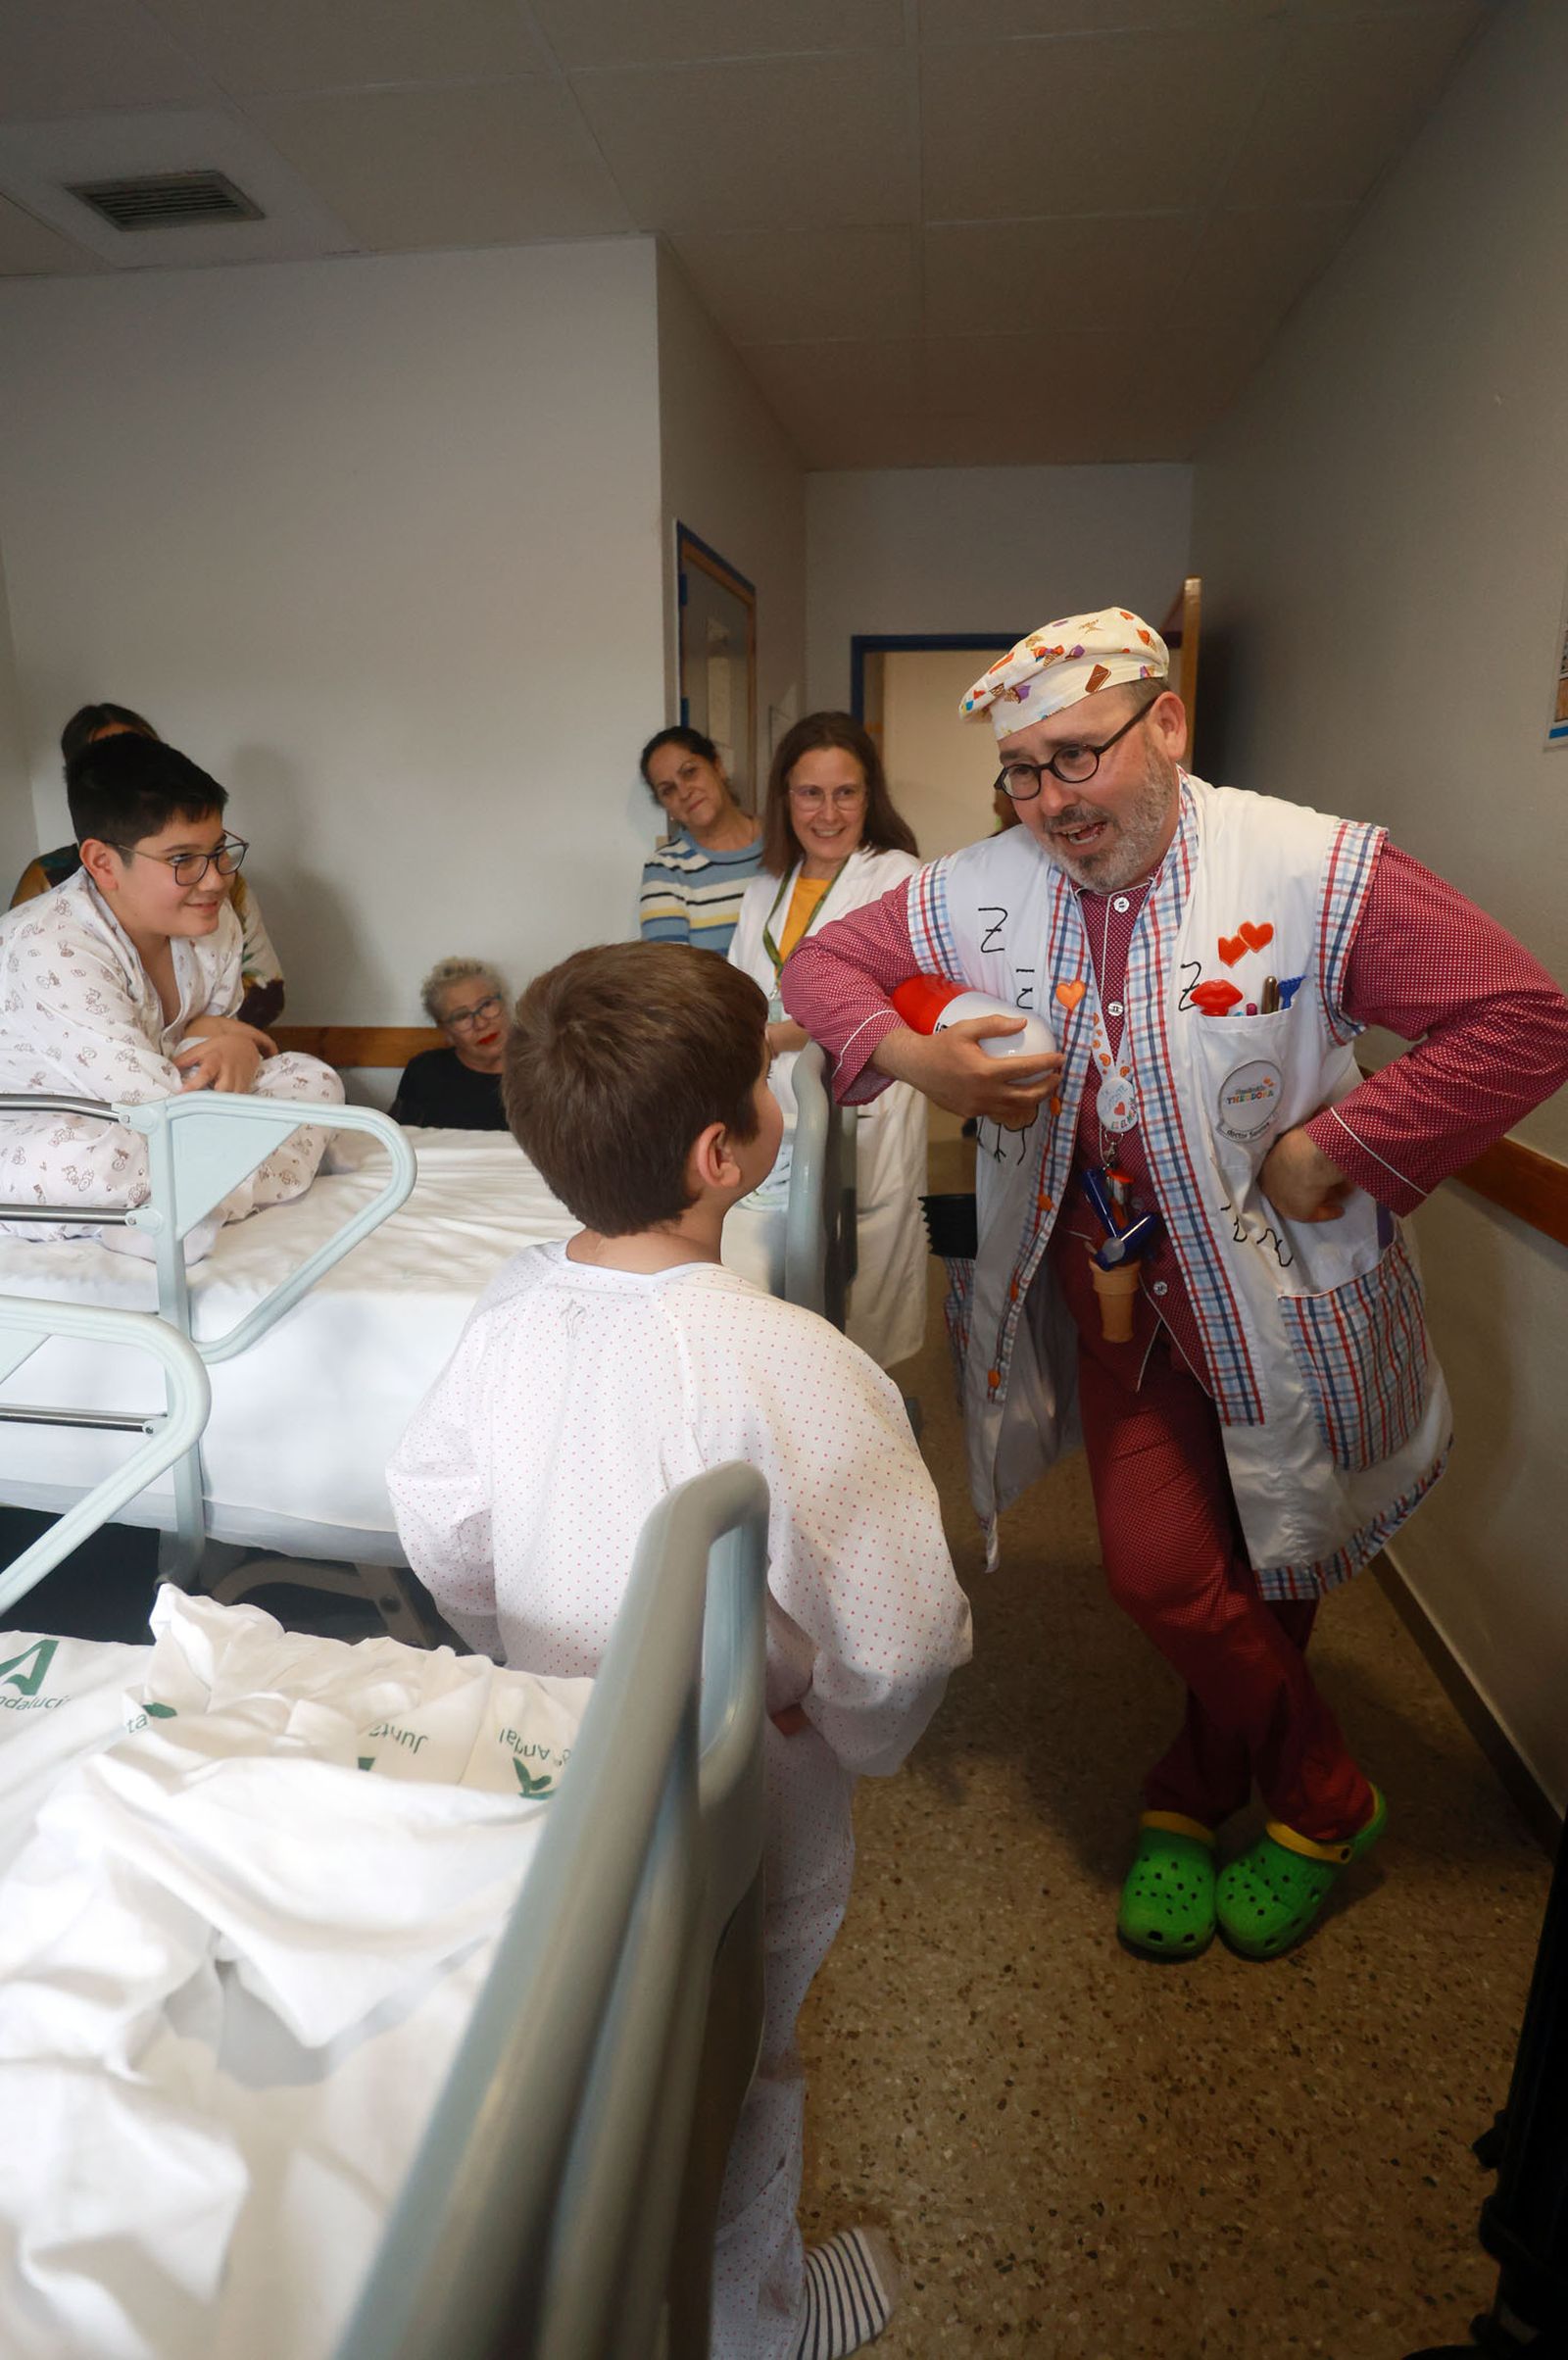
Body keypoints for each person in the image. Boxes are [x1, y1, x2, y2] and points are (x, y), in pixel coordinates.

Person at [784, 607, 1568, 1964]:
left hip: (1281, 1301)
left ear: (1167, 723)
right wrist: (920, 1056)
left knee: (1276, 1557)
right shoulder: (982, 886)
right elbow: (823, 964)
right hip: (1119, 1302)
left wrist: (1341, 1145)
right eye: (1020, 770)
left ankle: (1194, 1790)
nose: (1049, 799)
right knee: (1160, 1572)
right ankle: (1328, 1798)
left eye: (1076, 755)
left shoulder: (1313, 867)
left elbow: (1522, 1019)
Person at [387, 940, 971, 2360]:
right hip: (741, 1800)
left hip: (556, 1761)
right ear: (725, 1154)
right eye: (765, 1085)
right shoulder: (793, 1362)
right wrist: (845, 1726)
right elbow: (900, 1640)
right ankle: (754, 2321)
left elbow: (439, 1521)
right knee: (735, 2052)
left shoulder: (507, 1308)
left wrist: (524, 1648)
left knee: (602, 2037)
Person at [0, 731, 340, 1245]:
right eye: (183, 860)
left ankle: (183, 1207)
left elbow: (200, 1069)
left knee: (313, 1080)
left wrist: (232, 1048)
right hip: (61, 1127)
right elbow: (154, 1107)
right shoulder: (50, 944)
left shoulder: (212, 923)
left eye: (219, 851)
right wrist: (224, 1044)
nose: (215, 880)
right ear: (103, 863)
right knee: (84, 1161)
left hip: (168, 1110)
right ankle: (203, 1199)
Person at [728, 713, 926, 1369]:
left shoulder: (895, 874)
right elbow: (740, 986)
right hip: (771, 1103)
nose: (829, 813)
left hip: (861, 1097)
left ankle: (869, 1402)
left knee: (862, 1270)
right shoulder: (765, 887)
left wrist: (776, 1037)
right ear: (785, 798)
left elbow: (887, 993)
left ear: (870, 797)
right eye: (810, 793)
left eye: (846, 793)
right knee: (780, 1274)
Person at [10, 703, 286, 1031]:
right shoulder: (50, 936)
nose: (213, 880)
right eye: (181, 859)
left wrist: (219, 1037)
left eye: (142, 757)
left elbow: (260, 998)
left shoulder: (216, 902)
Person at [637, 725, 765, 956]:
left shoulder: (784, 841)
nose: (684, 792)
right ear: (666, 807)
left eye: (689, 772)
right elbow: (671, 972)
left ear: (718, 766)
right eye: (668, 790)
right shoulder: (667, 870)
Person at [389, 959, 512, 1130]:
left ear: (503, 1003)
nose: (481, 1023)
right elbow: (399, 1139)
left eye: (486, 1005)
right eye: (461, 1016)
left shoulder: (544, 1068)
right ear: (445, 1030)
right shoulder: (424, 1072)